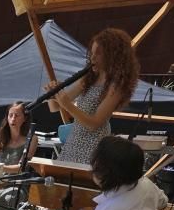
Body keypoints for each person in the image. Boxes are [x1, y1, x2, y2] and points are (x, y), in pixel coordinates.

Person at [47, 28, 139, 164]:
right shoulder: (88, 78)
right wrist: (52, 93)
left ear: (112, 56)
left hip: (94, 147)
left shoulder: (117, 85)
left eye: (98, 53)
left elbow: (94, 124)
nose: (92, 58)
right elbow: (54, 107)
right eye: (92, 53)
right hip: (74, 142)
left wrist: (67, 105)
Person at [0, 102, 38, 174]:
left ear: (25, 118)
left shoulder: (32, 139)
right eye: (10, 115)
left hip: (17, 182)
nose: (13, 119)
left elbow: (22, 167)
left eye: (17, 115)